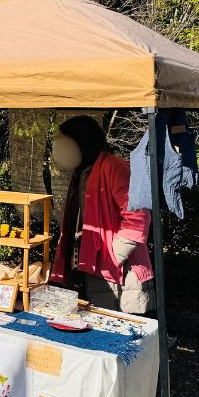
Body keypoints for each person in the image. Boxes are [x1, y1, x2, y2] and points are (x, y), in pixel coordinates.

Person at [48, 115, 153, 314]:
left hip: (120, 271)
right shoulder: (82, 172)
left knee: (118, 327)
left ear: (81, 141)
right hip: (91, 264)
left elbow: (138, 215)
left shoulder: (115, 166)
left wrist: (114, 254)